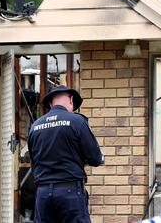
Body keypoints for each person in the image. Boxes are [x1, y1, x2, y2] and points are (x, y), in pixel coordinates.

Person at [28, 85, 104, 223]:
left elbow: (34, 162)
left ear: (51, 103)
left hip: (43, 194)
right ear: (71, 99)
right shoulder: (77, 121)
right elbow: (95, 158)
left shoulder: (35, 127)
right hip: (70, 193)